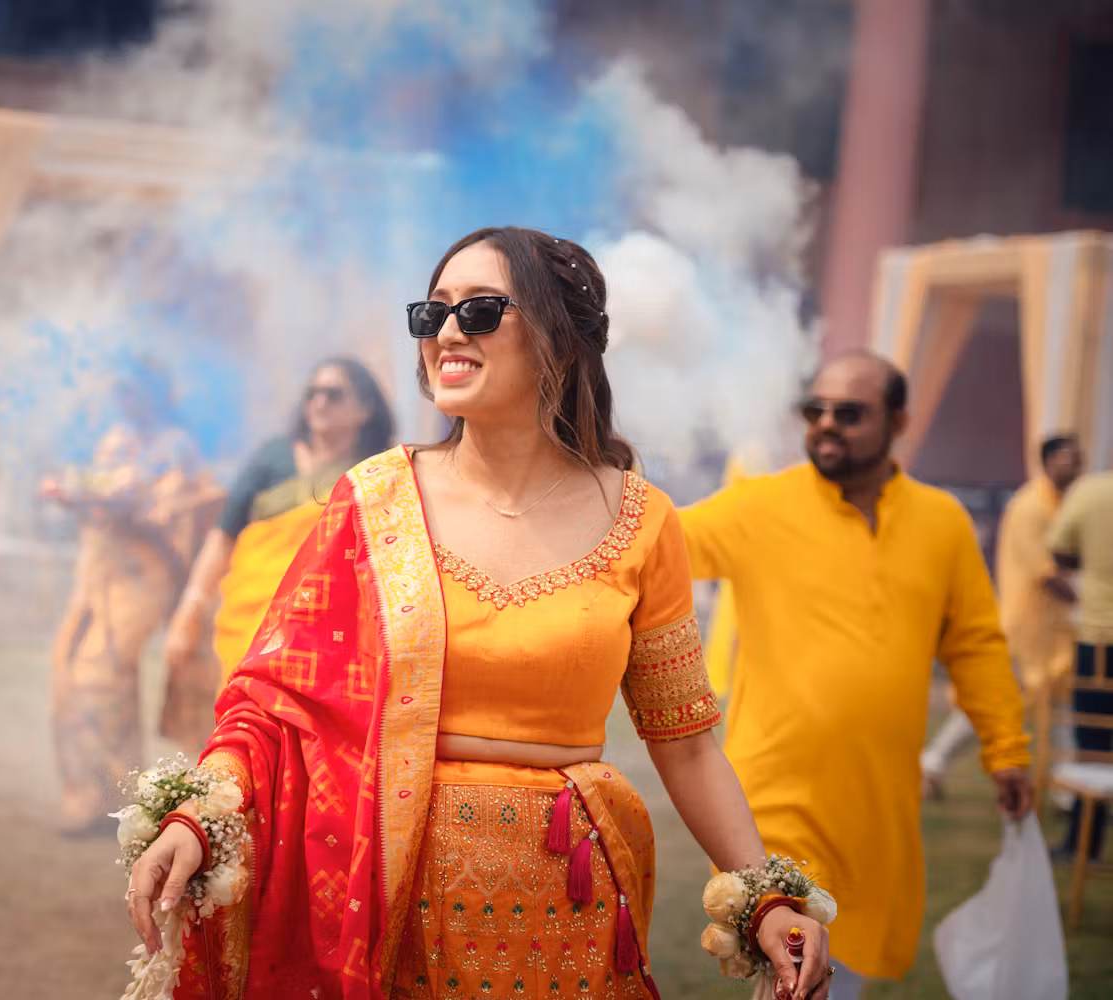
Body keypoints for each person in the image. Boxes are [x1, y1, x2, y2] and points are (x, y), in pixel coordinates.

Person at [125, 227, 832, 1000]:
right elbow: (274, 705)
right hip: (390, 899)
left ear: (561, 340)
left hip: (568, 911)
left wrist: (765, 895)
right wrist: (198, 815)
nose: (449, 333)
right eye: (433, 315)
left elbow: (689, 748)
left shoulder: (643, 518)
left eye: (482, 310)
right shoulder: (374, 501)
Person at [678, 352, 1033, 998]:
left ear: (899, 420)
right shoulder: (759, 506)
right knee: (795, 976)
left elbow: (976, 644)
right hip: (773, 806)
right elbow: (662, 546)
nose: (827, 425)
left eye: (849, 412)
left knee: (846, 977)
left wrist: (1005, 748)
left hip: (877, 814)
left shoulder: (941, 522)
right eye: (815, 411)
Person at [43, 373, 211, 836]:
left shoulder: (175, 446)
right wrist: (73, 495)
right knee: (66, 668)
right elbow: (96, 496)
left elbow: (175, 511)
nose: (127, 399)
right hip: (98, 565)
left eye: (136, 389)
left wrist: (129, 503)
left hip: (143, 569)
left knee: (99, 672)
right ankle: (92, 795)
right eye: (123, 391)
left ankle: (114, 796)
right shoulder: (114, 439)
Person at [163, 357, 394, 693]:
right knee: (248, 717)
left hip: (334, 631)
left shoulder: (377, 472)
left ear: (365, 409)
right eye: (312, 393)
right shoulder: (272, 458)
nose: (318, 402)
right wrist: (190, 609)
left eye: (333, 394)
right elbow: (224, 534)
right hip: (252, 617)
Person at [920, 434, 1083, 799]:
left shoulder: (1062, 506)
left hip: (1053, 631)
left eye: (1079, 457)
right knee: (995, 703)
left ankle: (1068, 795)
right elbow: (1045, 572)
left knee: (1058, 707)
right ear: (1048, 461)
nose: (1077, 465)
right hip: (1025, 627)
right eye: (1069, 458)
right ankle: (933, 762)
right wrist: (1084, 600)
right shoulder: (1030, 507)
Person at [1047, 467, 1113, 862]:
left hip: (1100, 640)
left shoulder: (1092, 492)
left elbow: (1058, 547)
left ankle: (1084, 844)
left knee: (1092, 747)